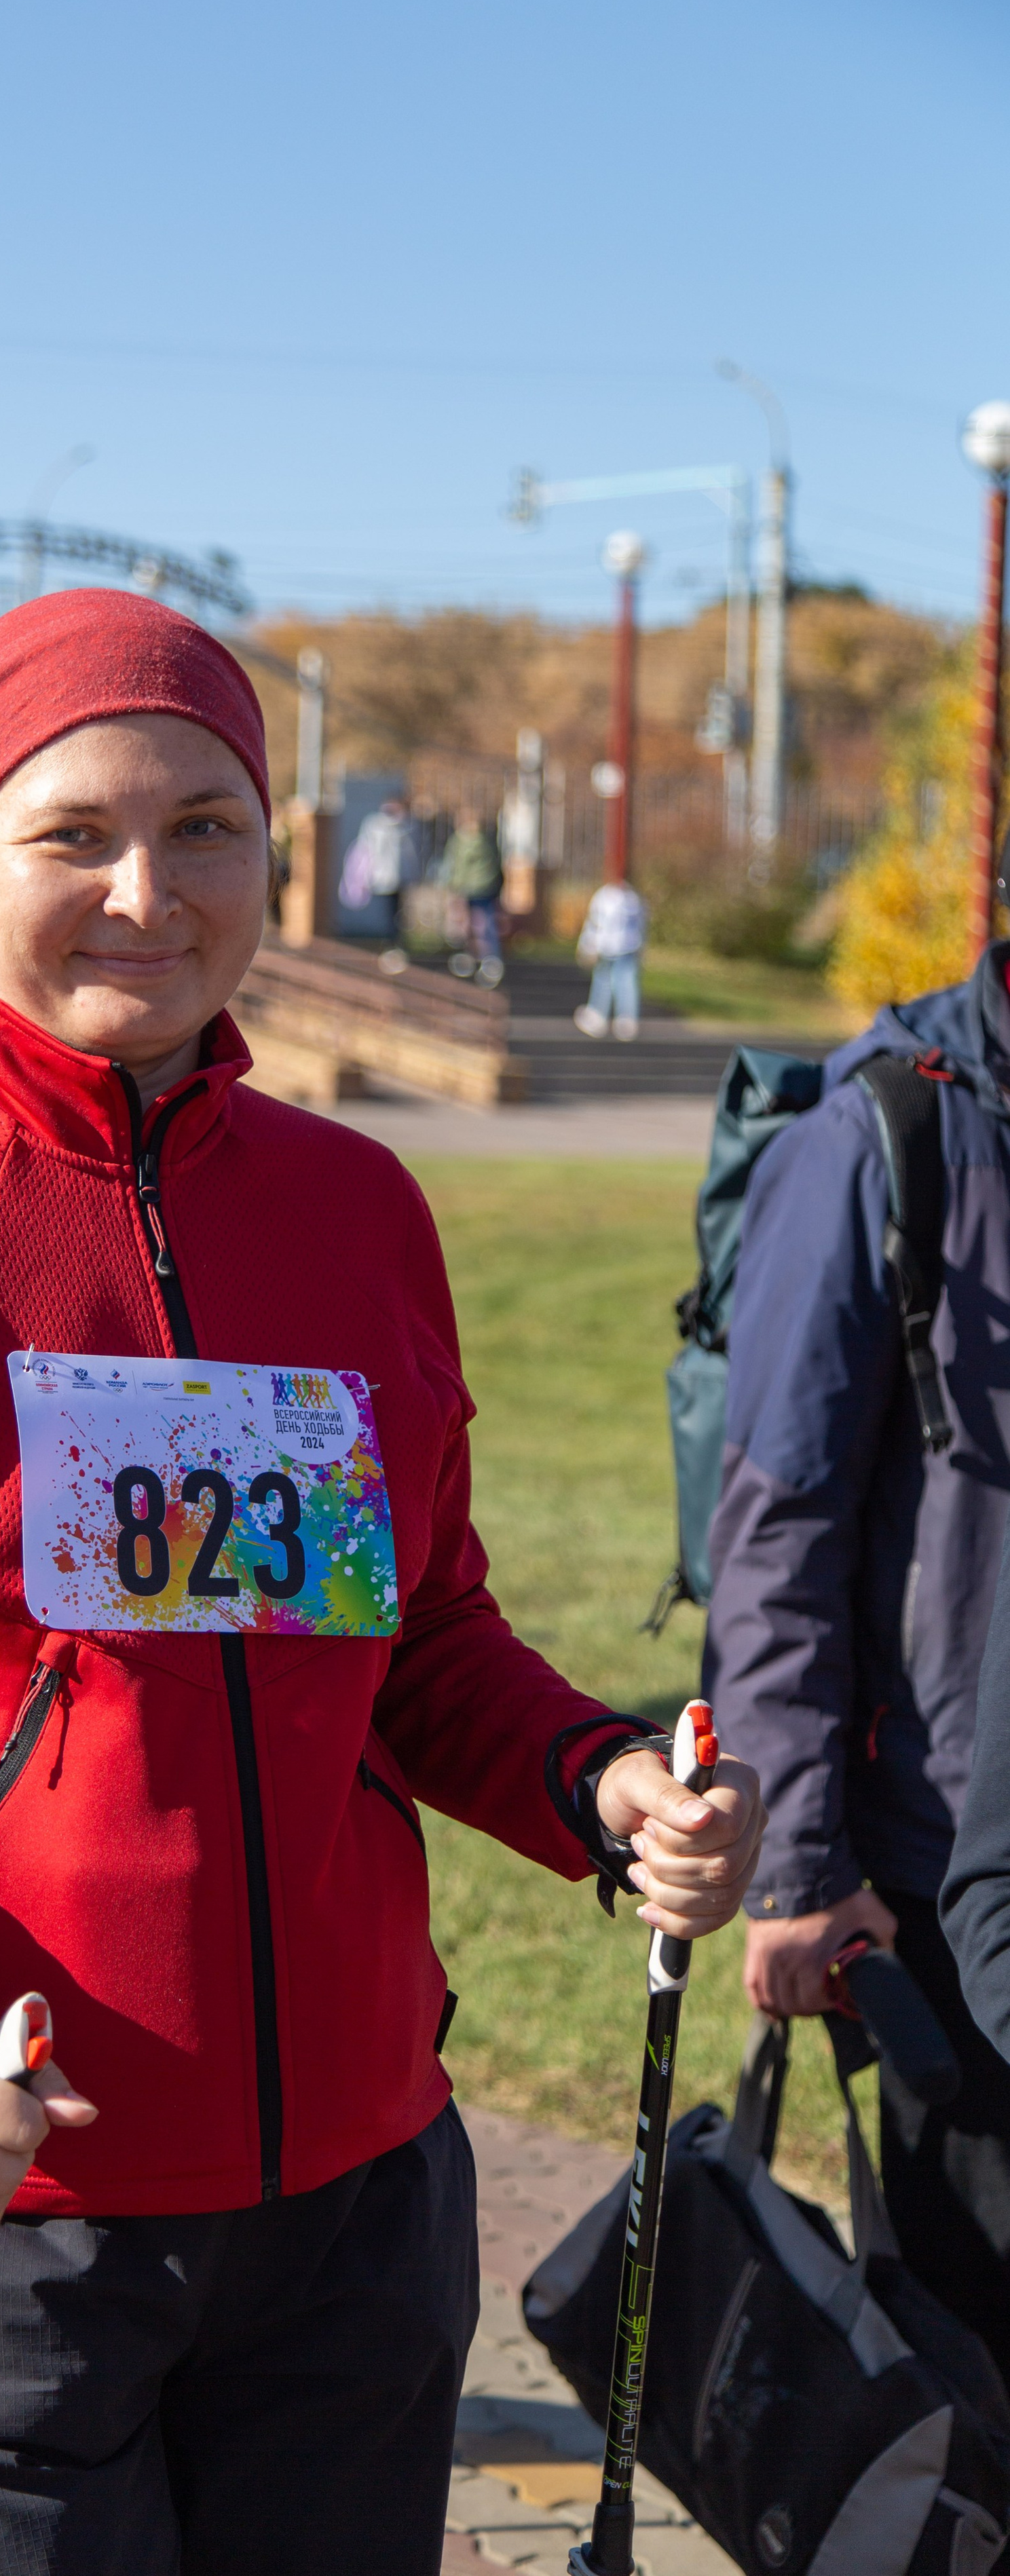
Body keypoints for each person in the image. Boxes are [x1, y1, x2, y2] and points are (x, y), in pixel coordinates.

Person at [0, 589, 764, 2576]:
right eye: (75, 834)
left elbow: (411, 1633)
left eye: (208, 826)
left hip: (347, 2214)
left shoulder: (353, 1204)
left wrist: (593, 1781)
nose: (148, 888)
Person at [707, 932, 1010, 2381]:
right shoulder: (885, 1133)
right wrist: (798, 1869)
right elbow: (777, 1525)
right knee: (968, 2370)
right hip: (939, 1883)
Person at [574, 875, 646, 1042]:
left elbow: (594, 924)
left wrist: (587, 945)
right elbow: (641, 925)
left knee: (605, 980)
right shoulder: (633, 897)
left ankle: (599, 1015)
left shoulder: (604, 896)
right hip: (628, 946)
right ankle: (627, 1019)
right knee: (625, 981)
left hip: (607, 947)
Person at [440, 811, 504, 985]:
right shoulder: (488, 841)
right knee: (484, 924)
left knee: (469, 925)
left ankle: (473, 956)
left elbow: (454, 866)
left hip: (467, 889)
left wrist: (453, 886)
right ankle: (489, 958)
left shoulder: (460, 842)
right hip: (486, 888)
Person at [339, 793, 413, 941]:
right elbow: (368, 849)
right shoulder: (376, 825)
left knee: (397, 911)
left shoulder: (406, 825)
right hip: (382, 876)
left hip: (399, 877)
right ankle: (388, 939)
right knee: (386, 910)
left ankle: (393, 940)